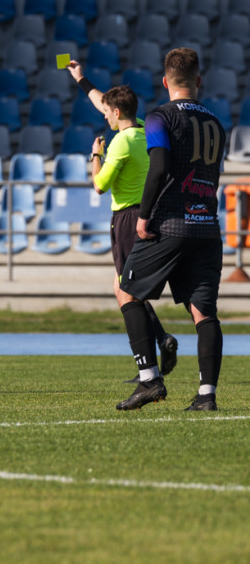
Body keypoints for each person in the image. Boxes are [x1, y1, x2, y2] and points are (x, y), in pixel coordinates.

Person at [115, 47, 225, 411]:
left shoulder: (160, 117)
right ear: (199, 80)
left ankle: (149, 381)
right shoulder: (215, 122)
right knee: (204, 312)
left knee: (126, 290)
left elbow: (158, 168)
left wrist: (144, 216)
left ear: (165, 81)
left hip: (171, 223)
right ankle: (206, 395)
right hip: (207, 226)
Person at [66, 65, 178, 380]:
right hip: (151, 213)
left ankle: (149, 364)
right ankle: (159, 343)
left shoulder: (120, 142)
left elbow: (100, 186)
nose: (104, 116)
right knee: (126, 287)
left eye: (108, 113)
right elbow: (102, 101)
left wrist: (95, 155)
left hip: (127, 219)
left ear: (117, 112)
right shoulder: (143, 127)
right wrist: (80, 79)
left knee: (126, 290)